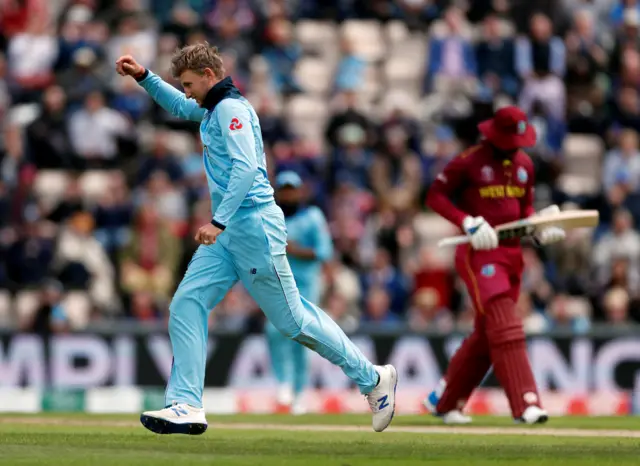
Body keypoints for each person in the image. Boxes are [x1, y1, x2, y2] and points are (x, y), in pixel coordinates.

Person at [115, 43, 397, 435]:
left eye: (190, 83)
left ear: (210, 76)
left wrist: (217, 221)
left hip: (252, 228)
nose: (188, 91)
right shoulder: (214, 107)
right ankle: (186, 404)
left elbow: (247, 169)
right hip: (232, 234)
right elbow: (179, 107)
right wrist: (145, 78)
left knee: (292, 321)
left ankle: (373, 379)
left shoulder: (230, 109)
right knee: (186, 303)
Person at [424, 106, 566, 424]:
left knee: (488, 333)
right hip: (479, 254)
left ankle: (445, 401)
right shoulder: (469, 161)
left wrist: (539, 231)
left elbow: (524, 211)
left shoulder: (525, 165)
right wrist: (467, 221)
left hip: (512, 255)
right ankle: (526, 402)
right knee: (505, 323)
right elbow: (435, 197)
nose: (515, 147)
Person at [266, 171, 333, 415]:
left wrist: (293, 250)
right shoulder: (271, 216)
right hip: (276, 282)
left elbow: (323, 252)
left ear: (300, 191)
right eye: (283, 190)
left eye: (292, 189)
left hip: (305, 284)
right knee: (274, 331)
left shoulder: (313, 217)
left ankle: (299, 392)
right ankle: (283, 382)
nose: (288, 194)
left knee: (302, 335)